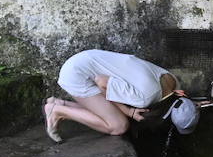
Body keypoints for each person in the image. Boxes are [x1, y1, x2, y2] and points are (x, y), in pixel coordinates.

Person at [44, 49, 203, 142]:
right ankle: (57, 112)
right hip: (78, 75)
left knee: (113, 111)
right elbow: (101, 82)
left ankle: (60, 104)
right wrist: (129, 111)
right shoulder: (144, 98)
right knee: (119, 125)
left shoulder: (172, 81)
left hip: (84, 60)